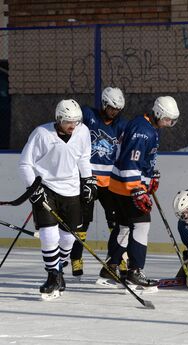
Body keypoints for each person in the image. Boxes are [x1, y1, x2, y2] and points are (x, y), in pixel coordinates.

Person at [98, 96, 180, 289]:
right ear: (158, 112)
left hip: (119, 185)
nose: (169, 123)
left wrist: (150, 177)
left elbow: (141, 161)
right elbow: (130, 163)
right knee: (142, 226)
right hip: (127, 187)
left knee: (125, 226)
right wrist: (138, 189)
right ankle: (135, 271)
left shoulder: (146, 125)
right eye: (168, 119)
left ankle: (110, 267)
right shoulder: (142, 131)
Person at [18, 99, 96, 300]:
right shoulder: (41, 134)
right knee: (48, 232)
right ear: (59, 118)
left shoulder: (83, 132)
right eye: (69, 121)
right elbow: (25, 164)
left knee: (69, 236)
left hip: (71, 189)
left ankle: (59, 268)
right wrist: (33, 188)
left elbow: (83, 158)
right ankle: (52, 275)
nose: (73, 125)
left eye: (76, 121)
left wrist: (88, 181)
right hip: (47, 188)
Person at [70, 87, 128, 279]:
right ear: (104, 104)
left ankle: (118, 258)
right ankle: (76, 257)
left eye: (118, 109)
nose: (114, 112)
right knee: (82, 222)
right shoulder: (88, 116)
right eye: (112, 108)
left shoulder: (121, 125)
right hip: (87, 179)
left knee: (116, 221)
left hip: (109, 183)